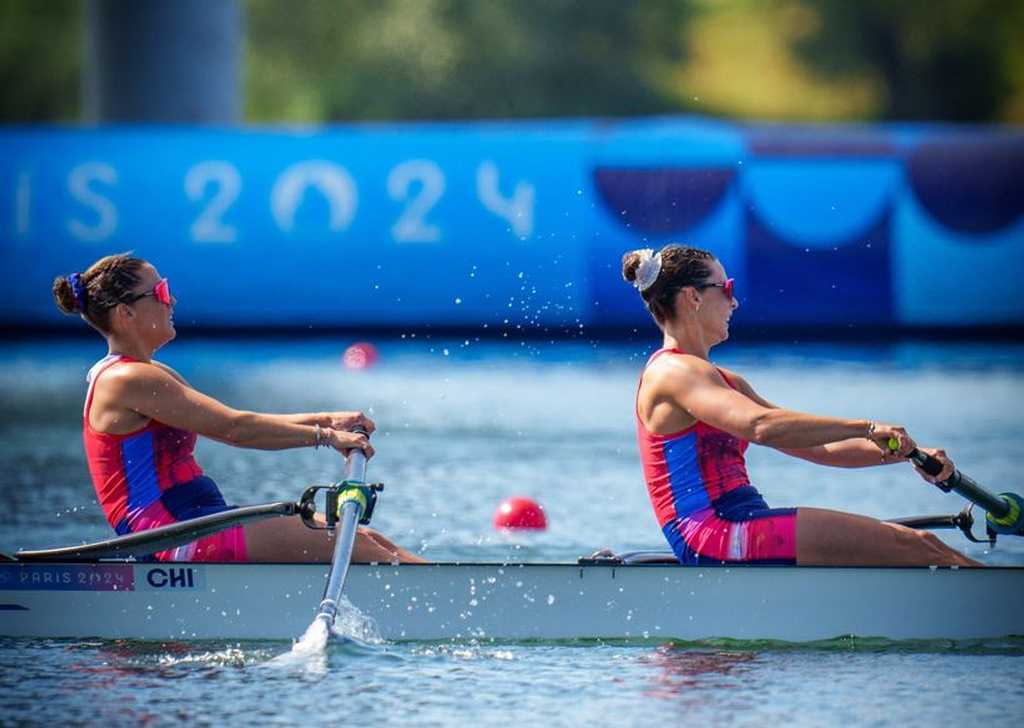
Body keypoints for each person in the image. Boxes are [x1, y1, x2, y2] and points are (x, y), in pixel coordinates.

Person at [53, 253, 424, 564]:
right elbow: (235, 430)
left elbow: (237, 418)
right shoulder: (128, 380)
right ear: (125, 314)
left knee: (367, 538)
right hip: (168, 534)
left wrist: (328, 420)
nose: (172, 301)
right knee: (358, 548)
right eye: (161, 292)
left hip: (195, 519)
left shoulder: (149, 373)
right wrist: (326, 436)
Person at [621, 244, 977, 567]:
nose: (734, 302)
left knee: (925, 548)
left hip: (739, 523)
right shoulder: (672, 371)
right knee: (922, 549)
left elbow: (817, 446)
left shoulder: (725, 382)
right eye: (726, 289)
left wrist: (910, 454)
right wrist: (866, 427)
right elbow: (760, 426)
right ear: (692, 298)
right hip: (713, 533)